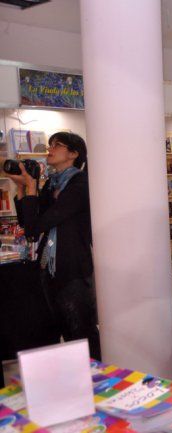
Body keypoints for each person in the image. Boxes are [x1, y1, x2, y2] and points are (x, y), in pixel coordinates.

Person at [9, 132, 100, 360]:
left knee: (81, 330)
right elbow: (27, 223)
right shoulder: (52, 183)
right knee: (61, 327)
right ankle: (78, 377)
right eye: (50, 144)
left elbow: (38, 225)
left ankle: (97, 378)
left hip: (72, 268)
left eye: (57, 145)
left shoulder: (80, 183)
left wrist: (32, 189)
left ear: (73, 154)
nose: (50, 149)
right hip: (48, 268)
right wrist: (22, 188)